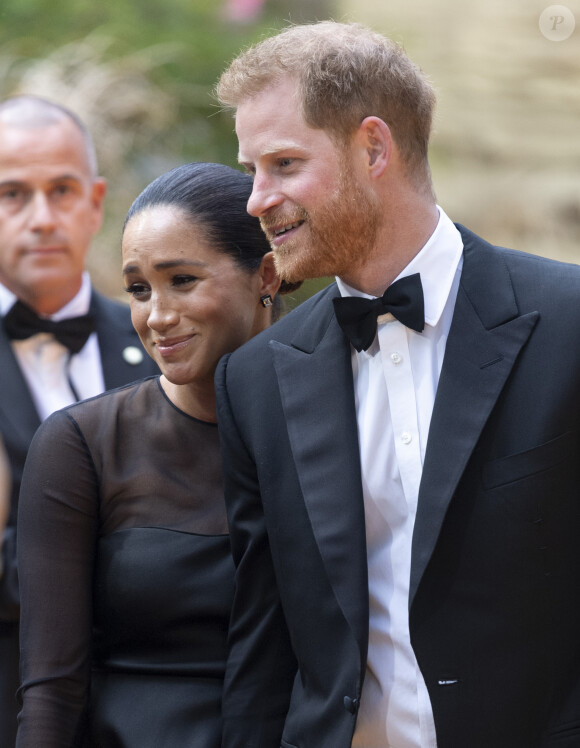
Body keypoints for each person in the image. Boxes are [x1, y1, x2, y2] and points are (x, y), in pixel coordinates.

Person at [214, 20, 580, 748]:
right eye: (251, 169)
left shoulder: (569, 324)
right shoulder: (255, 379)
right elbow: (263, 646)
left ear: (373, 147)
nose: (256, 199)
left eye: (283, 164)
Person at [16, 161, 284, 747]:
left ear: (267, 274)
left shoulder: (336, 428)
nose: (156, 316)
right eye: (138, 288)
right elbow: (51, 691)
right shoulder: (81, 446)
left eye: (182, 280)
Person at [0, 95, 157, 747]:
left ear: (95, 203)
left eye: (61, 190)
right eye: (12, 194)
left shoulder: (163, 341)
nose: (42, 218)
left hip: (158, 717)